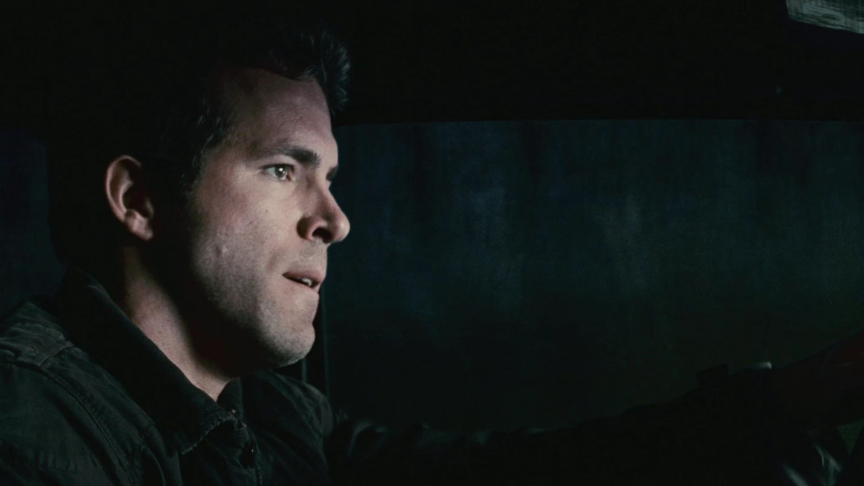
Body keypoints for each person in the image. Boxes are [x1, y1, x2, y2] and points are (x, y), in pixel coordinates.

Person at [0, 2, 861, 484]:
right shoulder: (30, 424)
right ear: (138, 200)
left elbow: (519, 474)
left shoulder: (274, 412)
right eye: (282, 170)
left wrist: (796, 397)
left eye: (330, 178)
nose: (334, 220)